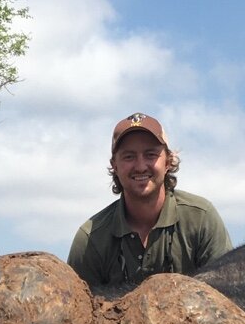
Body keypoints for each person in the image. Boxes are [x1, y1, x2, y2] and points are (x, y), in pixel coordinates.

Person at [67, 112, 231, 288]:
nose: (140, 166)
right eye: (129, 156)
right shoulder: (90, 238)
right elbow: (75, 309)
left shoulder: (201, 219)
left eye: (150, 155)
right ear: (114, 166)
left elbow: (230, 295)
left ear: (168, 161)